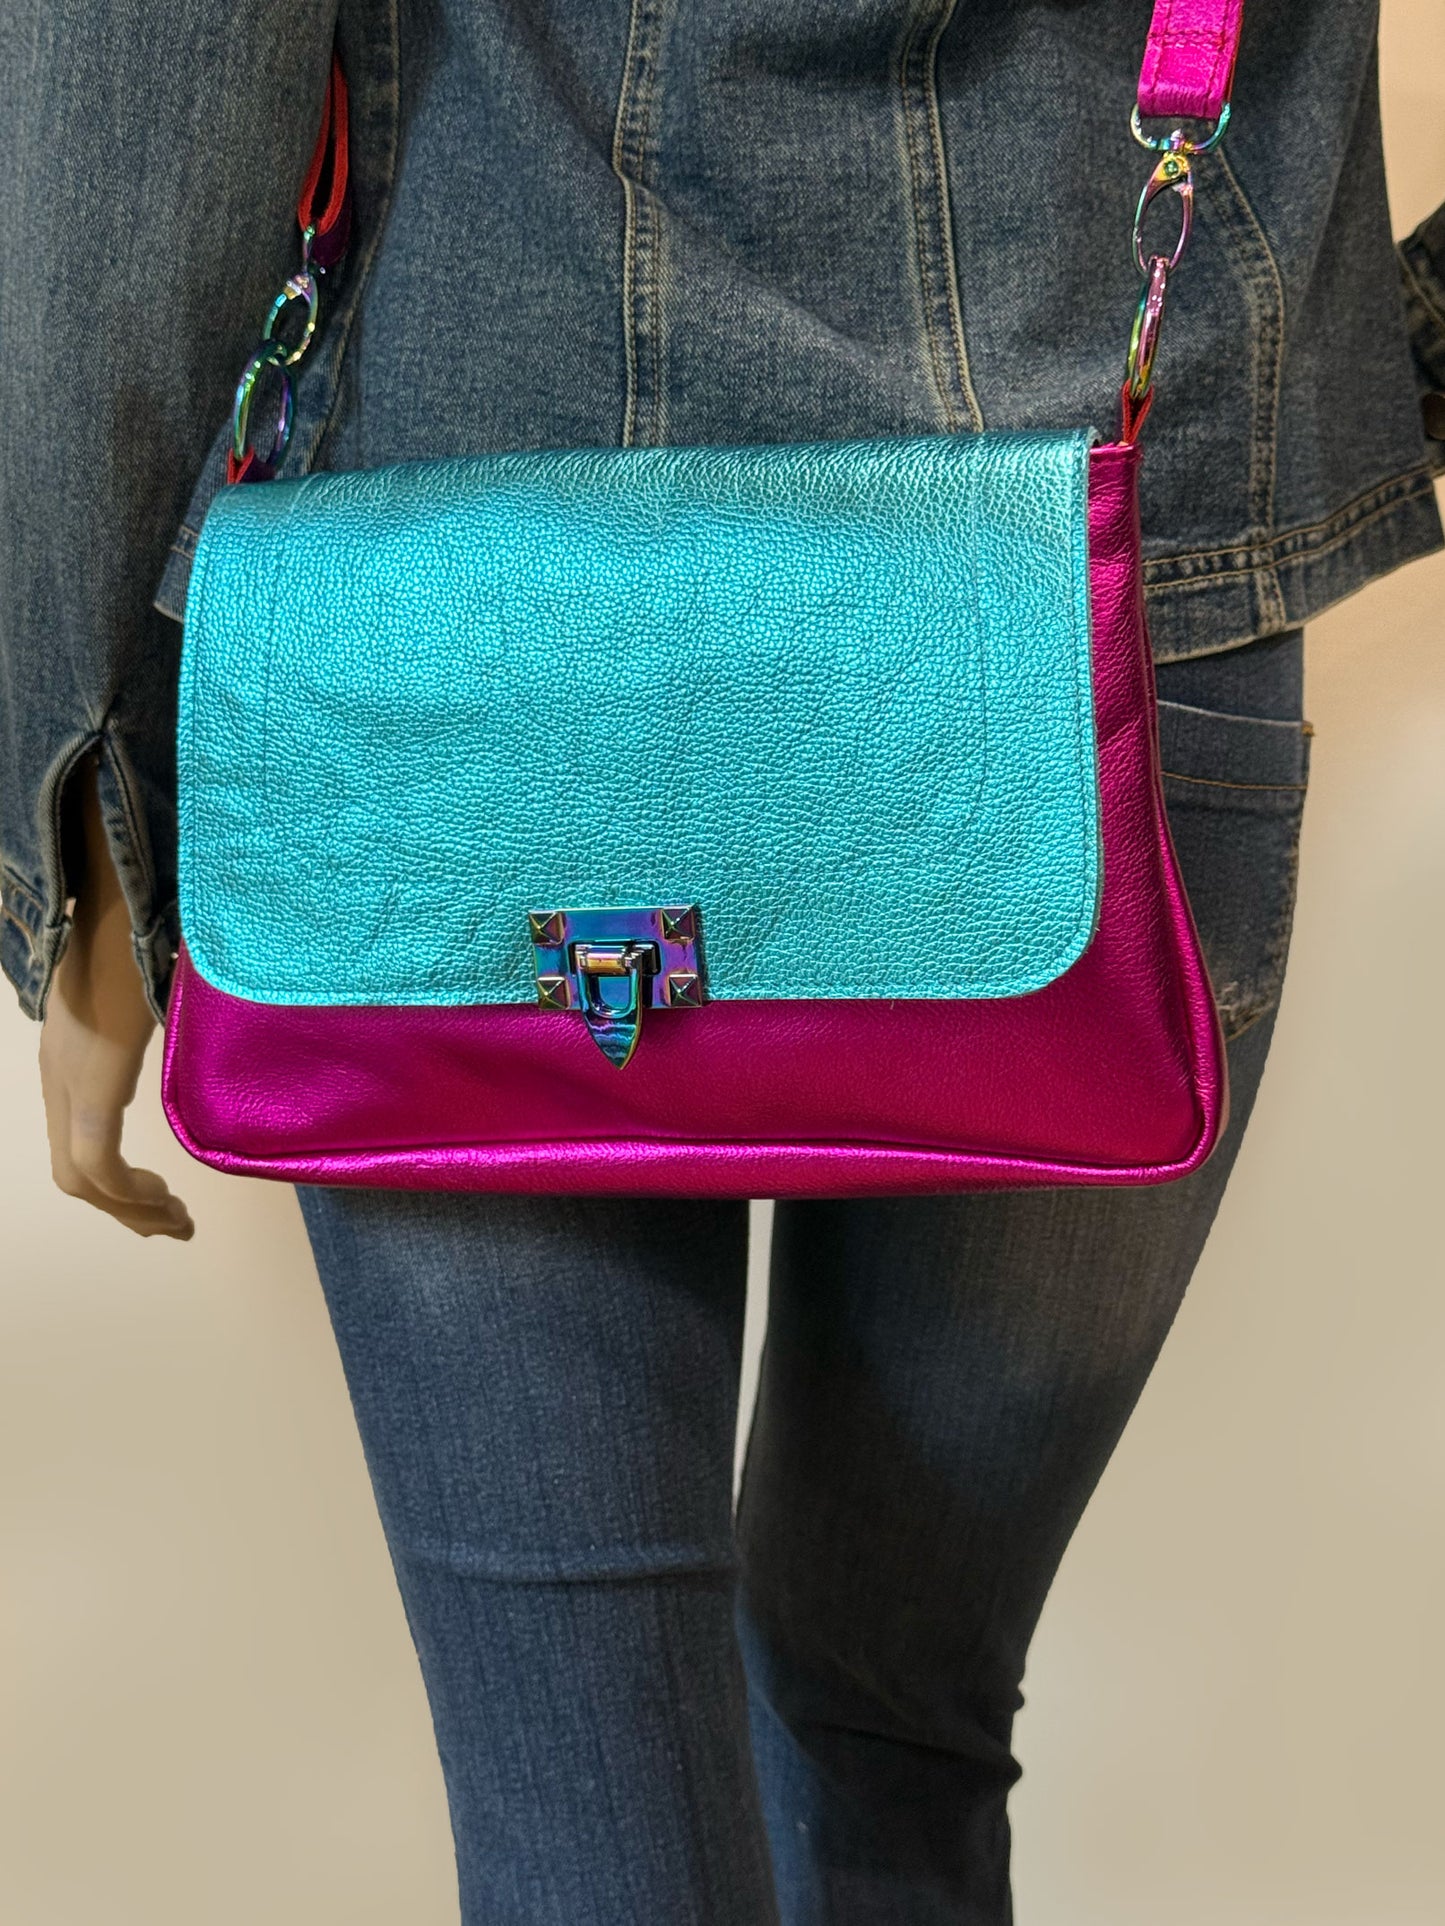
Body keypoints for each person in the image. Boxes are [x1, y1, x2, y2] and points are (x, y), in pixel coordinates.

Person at [4, 3, 1443, 1918]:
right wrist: (1368, 353)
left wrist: (64, 774)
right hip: (1114, 578)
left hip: (448, 603)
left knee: (592, 1812)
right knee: (895, 1716)